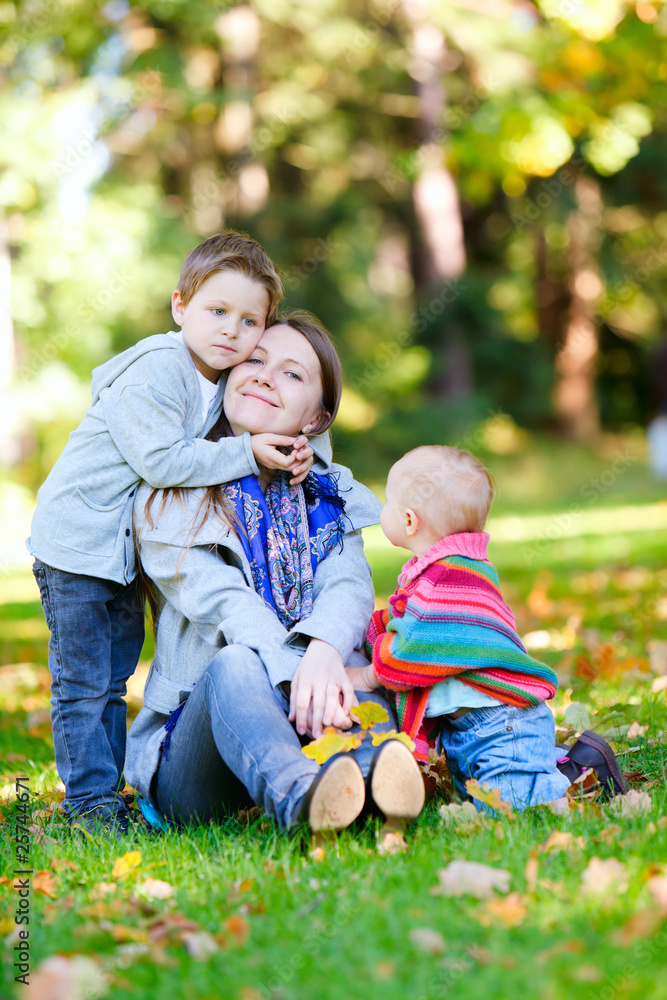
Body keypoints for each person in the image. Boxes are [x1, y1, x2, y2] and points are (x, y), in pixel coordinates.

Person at [27, 231, 328, 837]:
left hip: (119, 553)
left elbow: (289, 412)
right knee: (84, 682)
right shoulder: (159, 370)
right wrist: (249, 453)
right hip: (77, 547)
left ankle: (103, 794)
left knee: (114, 676)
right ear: (180, 306)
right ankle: (88, 804)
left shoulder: (218, 375)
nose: (232, 332)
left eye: (250, 321)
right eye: (217, 311)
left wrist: (301, 451)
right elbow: (163, 462)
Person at [126, 313, 425, 836]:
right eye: (255, 360)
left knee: (353, 662)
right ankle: (303, 799)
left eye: (292, 373)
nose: (265, 376)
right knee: (236, 663)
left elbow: (348, 584)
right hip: (198, 761)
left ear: (316, 419)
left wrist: (325, 652)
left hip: (312, 717)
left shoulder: (325, 494)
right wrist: (300, 671)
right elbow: (227, 604)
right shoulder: (171, 490)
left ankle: (373, 783)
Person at [347, 445, 628, 811]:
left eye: (387, 502)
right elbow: (405, 620)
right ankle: (553, 762)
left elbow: (409, 649)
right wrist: (364, 629)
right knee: (476, 796)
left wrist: (366, 675)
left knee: (505, 806)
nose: (381, 509)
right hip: (477, 727)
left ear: (409, 521)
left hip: (499, 723)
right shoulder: (448, 571)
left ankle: (584, 773)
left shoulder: (447, 580)